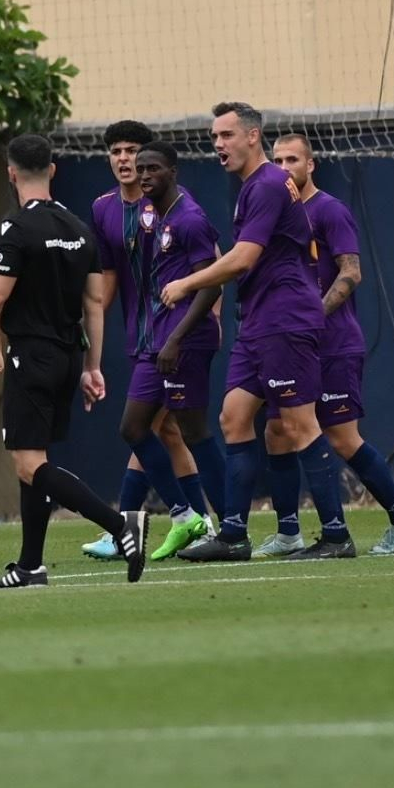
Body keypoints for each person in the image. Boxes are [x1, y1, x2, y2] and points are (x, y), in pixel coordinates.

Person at [0, 133, 147, 589]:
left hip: (31, 356)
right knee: (34, 457)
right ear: (53, 171)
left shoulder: (16, 229)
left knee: (28, 463)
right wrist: (93, 367)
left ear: (11, 172)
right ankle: (30, 565)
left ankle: (119, 526)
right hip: (67, 356)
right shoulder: (79, 228)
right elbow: (95, 303)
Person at [163, 102, 353, 561]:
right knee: (233, 415)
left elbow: (244, 257)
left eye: (226, 135)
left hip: (284, 318)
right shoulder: (253, 187)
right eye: (213, 138)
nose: (218, 145)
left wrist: (187, 282)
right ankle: (233, 535)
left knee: (298, 423)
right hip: (259, 321)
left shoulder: (267, 184)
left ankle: (336, 535)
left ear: (253, 137)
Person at [271, 134, 394, 555]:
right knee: (278, 430)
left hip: (333, 343)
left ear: (311, 164)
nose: (284, 168)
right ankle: (288, 532)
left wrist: (312, 317)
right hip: (292, 345)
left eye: (292, 159)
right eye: (278, 160)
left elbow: (352, 272)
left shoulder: (329, 210)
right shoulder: (277, 215)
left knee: (340, 437)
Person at [82, 120, 211, 561]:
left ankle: (131, 524)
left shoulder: (175, 208)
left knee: (144, 426)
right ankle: (200, 518)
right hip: (142, 332)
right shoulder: (102, 209)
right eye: (116, 151)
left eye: (132, 151)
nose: (124, 160)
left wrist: (199, 324)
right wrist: (89, 328)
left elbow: (206, 271)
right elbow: (107, 278)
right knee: (167, 431)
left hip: (173, 334)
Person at [124, 141, 230, 561]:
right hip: (159, 340)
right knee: (133, 428)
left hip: (183, 340)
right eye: (140, 168)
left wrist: (177, 338)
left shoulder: (190, 219)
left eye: (153, 168)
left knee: (194, 431)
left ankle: (231, 525)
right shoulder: (156, 217)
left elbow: (211, 284)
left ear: (173, 171)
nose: (145, 175)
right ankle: (185, 515)